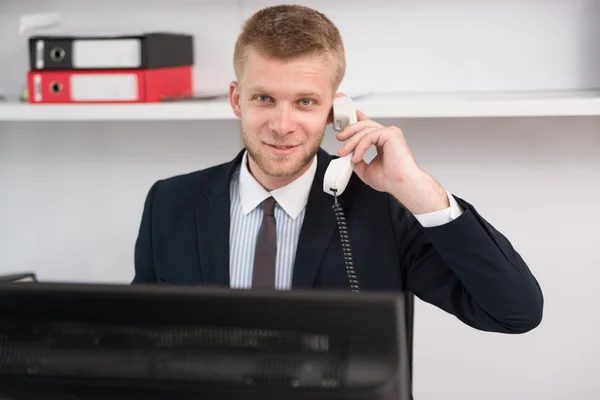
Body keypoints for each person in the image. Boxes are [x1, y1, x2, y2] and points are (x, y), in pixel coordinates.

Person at [133, 5, 543, 336]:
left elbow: (515, 312)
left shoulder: (385, 208)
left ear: (336, 110)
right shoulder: (170, 202)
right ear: (237, 99)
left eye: (306, 102)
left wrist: (414, 186)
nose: (282, 124)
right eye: (264, 98)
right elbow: (138, 338)